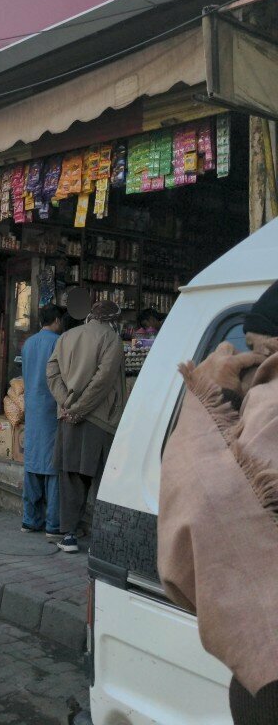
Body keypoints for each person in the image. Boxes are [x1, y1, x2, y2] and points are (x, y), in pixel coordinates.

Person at [158, 281, 278, 725]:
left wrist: (211, 396)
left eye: (257, 347)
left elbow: (207, 503)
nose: (253, 359)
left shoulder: (269, 400)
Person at [46, 300, 126, 553]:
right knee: (102, 481)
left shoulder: (67, 336)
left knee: (71, 479)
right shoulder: (112, 339)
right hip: (100, 420)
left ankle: (69, 536)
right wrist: (79, 408)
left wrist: (67, 404)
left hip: (68, 418)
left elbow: (51, 373)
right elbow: (103, 381)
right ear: (113, 320)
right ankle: (100, 542)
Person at [20, 304, 64, 539]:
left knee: (32, 463)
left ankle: (30, 520)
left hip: (33, 408)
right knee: (53, 465)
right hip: (51, 408)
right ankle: (53, 524)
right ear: (56, 320)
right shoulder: (59, 342)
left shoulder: (28, 343)